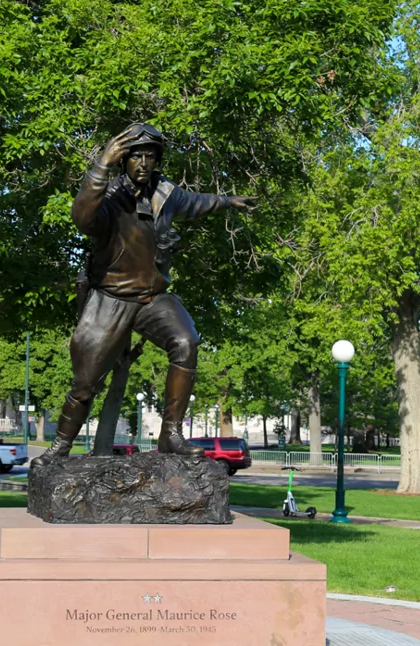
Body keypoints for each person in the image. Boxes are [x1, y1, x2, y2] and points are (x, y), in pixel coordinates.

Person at [32, 122, 254, 468]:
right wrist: (101, 165)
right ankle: (60, 445)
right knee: (85, 384)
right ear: (123, 160)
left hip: (153, 297)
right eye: (135, 156)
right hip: (111, 298)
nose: (143, 163)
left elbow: (196, 202)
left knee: (186, 342)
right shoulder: (108, 195)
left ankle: (171, 434)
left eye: (150, 156)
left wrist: (228, 201)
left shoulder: (164, 193)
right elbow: (82, 218)